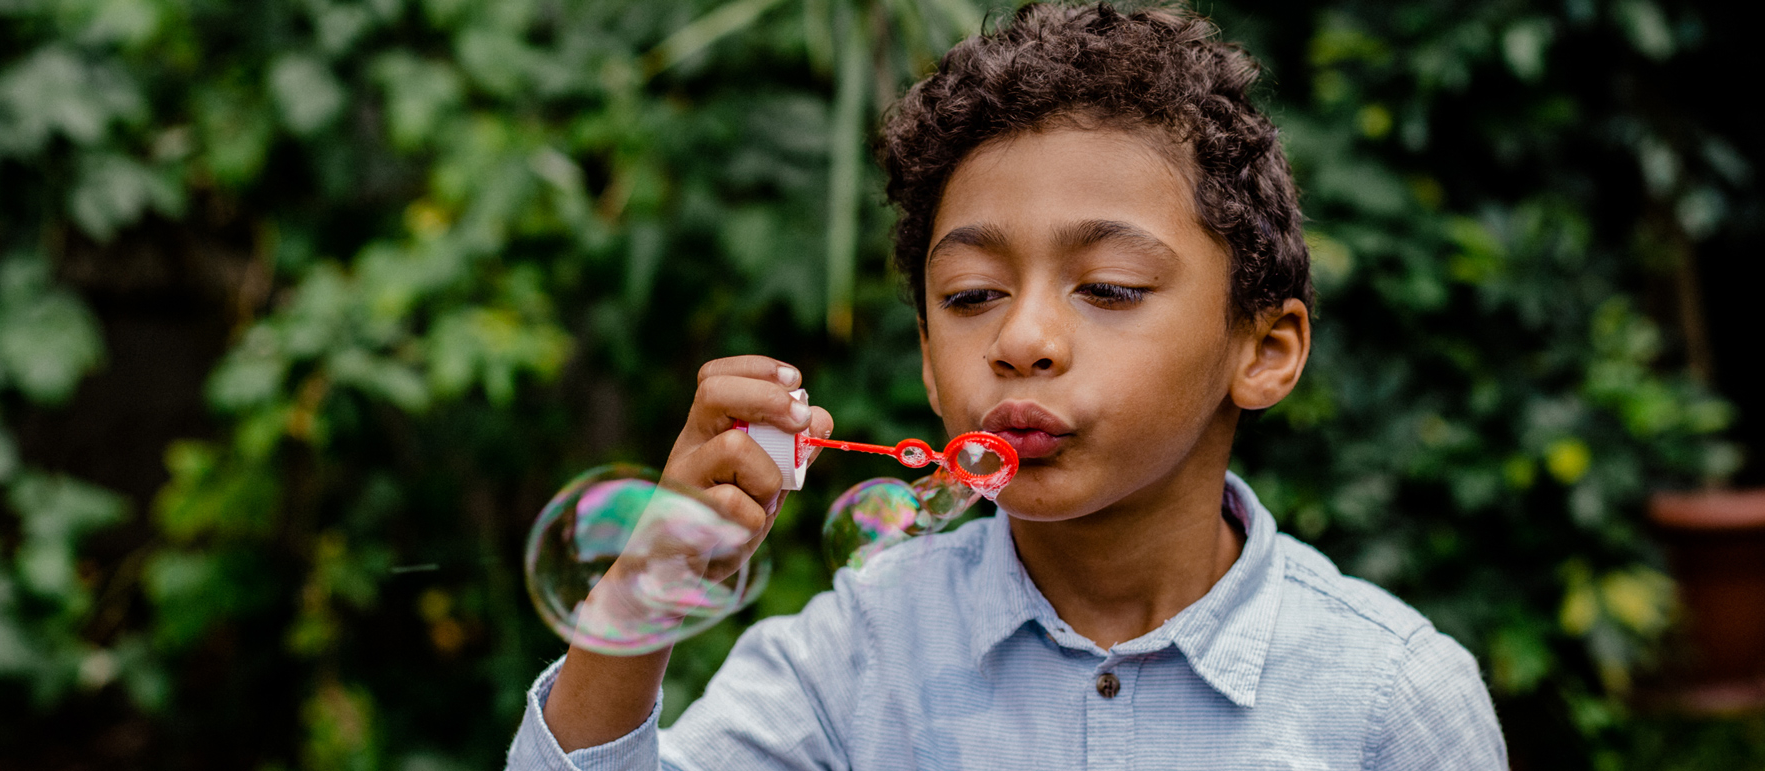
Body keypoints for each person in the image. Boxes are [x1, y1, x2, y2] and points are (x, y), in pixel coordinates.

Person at [508, 2, 1507, 768]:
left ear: (1265, 348)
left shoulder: (1390, 698)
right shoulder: (855, 657)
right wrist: (652, 579)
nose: (1022, 338)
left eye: (1110, 288)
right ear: (927, 360)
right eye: (972, 294)